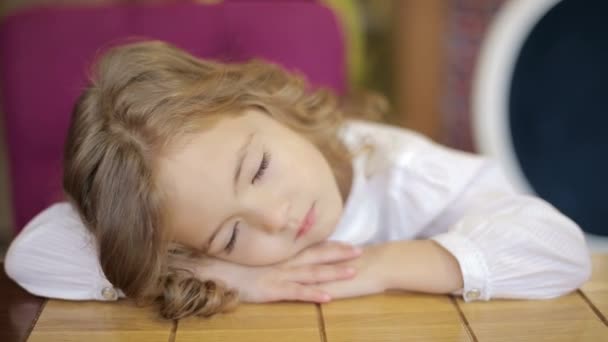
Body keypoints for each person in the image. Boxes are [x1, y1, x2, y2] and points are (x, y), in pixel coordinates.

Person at [4, 40, 591, 320]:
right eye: (232, 234)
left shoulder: (406, 173)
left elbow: (560, 247)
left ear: (263, 104)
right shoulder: (214, 251)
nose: (278, 218)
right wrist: (233, 275)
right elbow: (31, 256)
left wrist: (377, 266)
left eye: (258, 169)